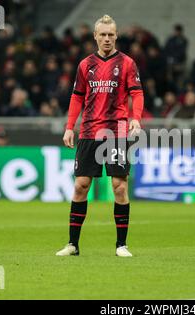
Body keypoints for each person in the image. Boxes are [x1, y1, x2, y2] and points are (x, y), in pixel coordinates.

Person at [56, 15, 144, 257]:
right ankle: (73, 245)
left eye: (110, 35)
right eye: (102, 34)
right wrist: (69, 126)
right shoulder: (85, 65)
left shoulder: (127, 63)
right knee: (81, 185)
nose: (106, 39)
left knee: (118, 187)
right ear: (95, 36)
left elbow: (137, 93)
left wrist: (136, 117)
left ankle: (121, 245)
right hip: (89, 131)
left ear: (116, 36)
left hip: (117, 130)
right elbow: (77, 97)